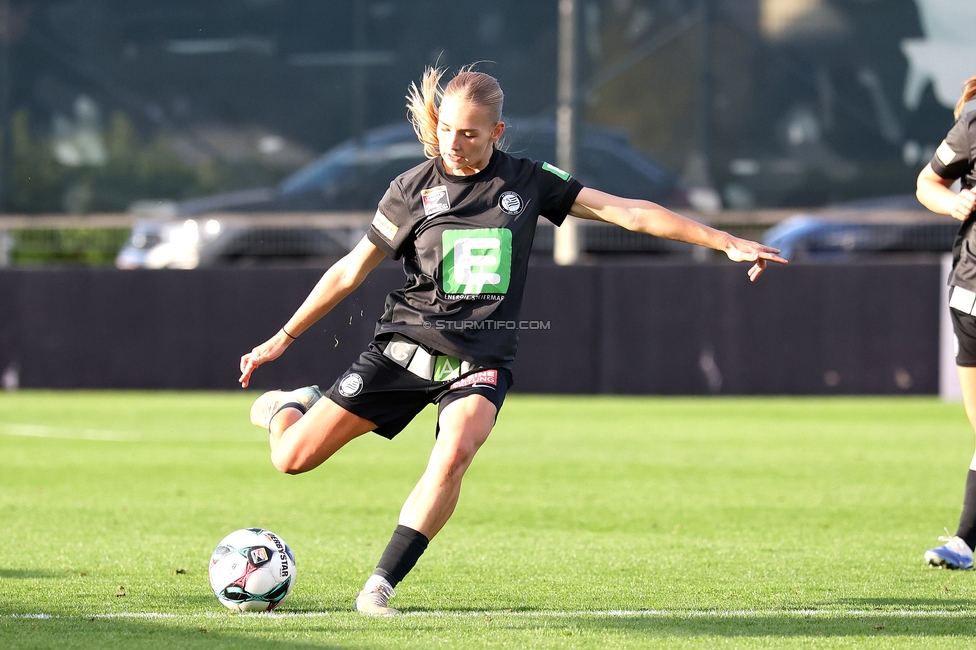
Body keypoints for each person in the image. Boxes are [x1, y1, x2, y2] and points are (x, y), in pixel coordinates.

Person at [238, 64, 788, 615]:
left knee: (454, 453)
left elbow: (627, 212)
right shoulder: (410, 190)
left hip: (480, 361)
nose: (454, 143)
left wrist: (723, 241)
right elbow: (348, 272)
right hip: (404, 349)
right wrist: (281, 338)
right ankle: (290, 406)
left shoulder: (527, 181)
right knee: (291, 459)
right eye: (447, 129)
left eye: (471, 133)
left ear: (497, 133)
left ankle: (380, 585)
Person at [917, 74, 976, 570]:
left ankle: (963, 542)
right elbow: (927, 183)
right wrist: (953, 202)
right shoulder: (975, 124)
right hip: (973, 296)